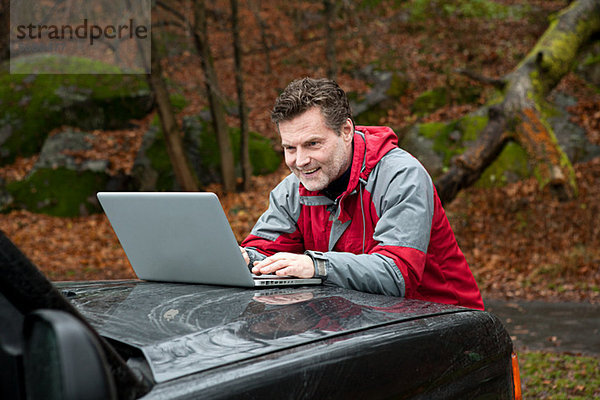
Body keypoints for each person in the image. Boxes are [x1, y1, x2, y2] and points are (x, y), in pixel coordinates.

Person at [240, 77, 483, 310]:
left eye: (313, 144)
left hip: (445, 323)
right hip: (360, 322)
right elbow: (266, 249)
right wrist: (246, 259)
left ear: (346, 130)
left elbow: (397, 274)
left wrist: (317, 266)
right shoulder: (293, 189)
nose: (300, 161)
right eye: (290, 148)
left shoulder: (401, 176)